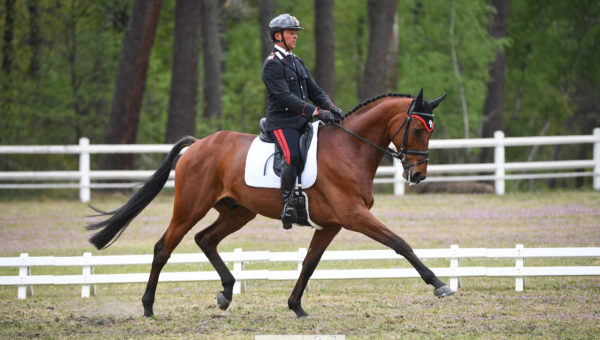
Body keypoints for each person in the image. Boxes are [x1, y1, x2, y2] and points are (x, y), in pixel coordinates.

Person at [262, 13, 343, 230]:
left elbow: (314, 91)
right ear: (278, 36)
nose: (295, 37)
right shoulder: (272, 65)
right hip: (281, 122)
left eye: (296, 33)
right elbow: (286, 98)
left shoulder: (297, 62)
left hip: (302, 120)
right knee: (292, 155)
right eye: (291, 33)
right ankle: (287, 204)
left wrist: (331, 107)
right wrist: (316, 112)